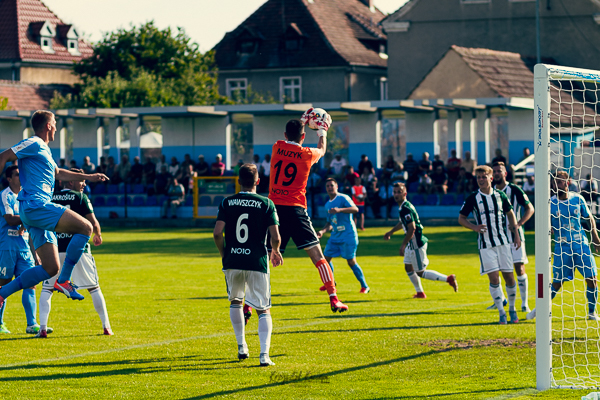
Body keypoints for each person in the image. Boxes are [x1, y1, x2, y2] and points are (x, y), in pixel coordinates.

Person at [0, 110, 109, 310]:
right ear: (49, 126)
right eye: (55, 123)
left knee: (50, 268)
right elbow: (4, 156)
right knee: (86, 228)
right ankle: (64, 281)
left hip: (33, 211)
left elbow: (58, 173)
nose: (57, 127)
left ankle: (1, 294)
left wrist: (91, 176)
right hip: (36, 205)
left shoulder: (44, 150)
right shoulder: (33, 142)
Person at [267, 110, 348, 312]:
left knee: (265, 259)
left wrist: (303, 120)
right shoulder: (308, 154)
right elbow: (322, 148)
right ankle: (333, 297)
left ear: (286, 135)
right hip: (296, 209)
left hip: (274, 211)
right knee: (317, 256)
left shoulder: (277, 147)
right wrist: (322, 130)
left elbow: (292, 135)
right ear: (303, 136)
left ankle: (250, 304)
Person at [213, 164, 283, 366]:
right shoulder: (266, 203)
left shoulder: (227, 202)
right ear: (258, 181)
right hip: (257, 260)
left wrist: (223, 253)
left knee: (235, 301)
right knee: (264, 309)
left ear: (238, 181)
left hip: (233, 260)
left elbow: (218, 233)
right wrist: (275, 250)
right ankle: (264, 356)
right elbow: (275, 237)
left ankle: (242, 346)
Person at [38, 169, 113, 338]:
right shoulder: (81, 198)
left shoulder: (50, 198)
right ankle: (106, 327)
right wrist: (98, 234)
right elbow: (93, 222)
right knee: (94, 288)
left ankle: (42, 328)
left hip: (55, 250)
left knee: (47, 289)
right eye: (81, 180)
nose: (84, 183)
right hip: (78, 251)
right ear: (71, 182)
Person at [527, 171, 600, 321]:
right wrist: (548, 227)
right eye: (554, 182)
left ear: (567, 183)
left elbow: (589, 217)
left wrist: (595, 235)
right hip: (562, 247)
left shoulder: (577, 199)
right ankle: (539, 309)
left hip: (581, 245)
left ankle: (592, 312)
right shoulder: (550, 203)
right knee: (557, 282)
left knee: (592, 278)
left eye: (560, 182)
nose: (556, 185)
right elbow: (542, 223)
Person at [458, 165, 521, 324]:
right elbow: (461, 218)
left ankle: (512, 309)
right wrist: (474, 227)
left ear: (491, 178)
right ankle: (501, 313)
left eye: (483, 176)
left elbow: (510, 214)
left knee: (510, 278)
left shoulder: (500, 196)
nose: (480, 180)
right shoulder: (473, 198)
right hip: (485, 245)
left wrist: (516, 235)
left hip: (503, 243)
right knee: (494, 279)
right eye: (478, 177)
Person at [385, 182, 458, 298]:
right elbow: (403, 222)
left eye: (399, 192)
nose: (396, 194)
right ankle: (420, 292)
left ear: (405, 193)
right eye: (394, 192)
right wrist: (391, 232)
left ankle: (448, 279)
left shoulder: (405, 208)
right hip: (411, 243)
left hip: (415, 243)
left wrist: (403, 245)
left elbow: (412, 228)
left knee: (421, 272)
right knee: (408, 267)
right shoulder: (403, 207)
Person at [0, 165, 44, 335]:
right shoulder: (5, 196)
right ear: (9, 179)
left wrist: (36, 254)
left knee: (30, 283)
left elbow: (31, 226)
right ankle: (0, 323)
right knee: (2, 285)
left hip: (25, 248)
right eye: (17, 175)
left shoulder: (27, 196)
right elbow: (11, 220)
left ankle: (31, 324)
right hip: (6, 248)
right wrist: (27, 219)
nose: (21, 177)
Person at [490, 161, 535, 312]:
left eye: (499, 171)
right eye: (494, 171)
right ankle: (502, 300)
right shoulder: (489, 191)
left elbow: (530, 208)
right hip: (497, 236)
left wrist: (519, 224)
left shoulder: (514, 189)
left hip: (514, 235)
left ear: (505, 174)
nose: (496, 174)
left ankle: (524, 304)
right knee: (499, 270)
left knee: (519, 268)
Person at [317, 178, 369, 293]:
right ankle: (330, 283)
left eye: (332, 185)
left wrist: (340, 210)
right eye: (328, 186)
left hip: (348, 235)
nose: (330, 188)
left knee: (351, 261)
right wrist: (322, 231)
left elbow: (355, 209)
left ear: (337, 186)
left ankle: (364, 286)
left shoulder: (343, 198)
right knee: (325, 260)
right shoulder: (327, 205)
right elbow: (330, 222)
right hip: (335, 236)